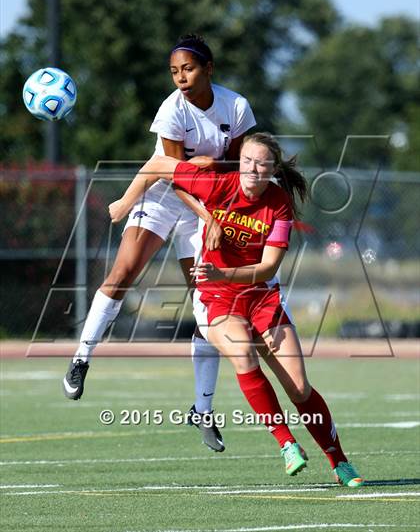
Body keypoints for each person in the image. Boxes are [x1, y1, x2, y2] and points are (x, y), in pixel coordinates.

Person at [108, 132, 364, 487]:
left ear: (273, 169)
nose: (252, 170)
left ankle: (340, 462)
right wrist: (127, 202)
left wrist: (222, 269)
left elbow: (268, 269)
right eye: (247, 161)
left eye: (261, 164)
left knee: (299, 387)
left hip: (262, 295)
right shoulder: (217, 184)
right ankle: (286, 444)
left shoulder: (278, 205)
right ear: (239, 163)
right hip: (218, 296)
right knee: (243, 354)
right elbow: (159, 166)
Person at [63, 34, 256, 453]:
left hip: (207, 202)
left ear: (209, 69)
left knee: (207, 303)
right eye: (174, 71)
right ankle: (81, 357)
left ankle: (202, 409)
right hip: (166, 195)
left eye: (188, 69)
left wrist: (215, 201)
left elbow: (237, 167)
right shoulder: (172, 109)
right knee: (123, 272)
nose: (181, 78)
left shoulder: (236, 106)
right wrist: (204, 203)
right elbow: (174, 173)